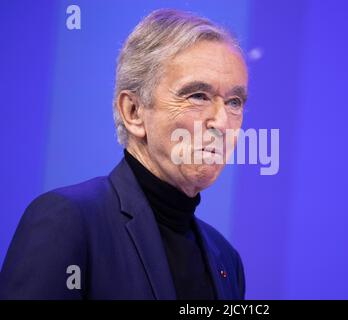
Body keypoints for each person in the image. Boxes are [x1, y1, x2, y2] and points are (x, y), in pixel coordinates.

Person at [0, 8, 248, 300]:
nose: (221, 121)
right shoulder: (68, 222)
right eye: (197, 96)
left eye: (234, 101)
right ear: (133, 112)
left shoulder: (226, 261)